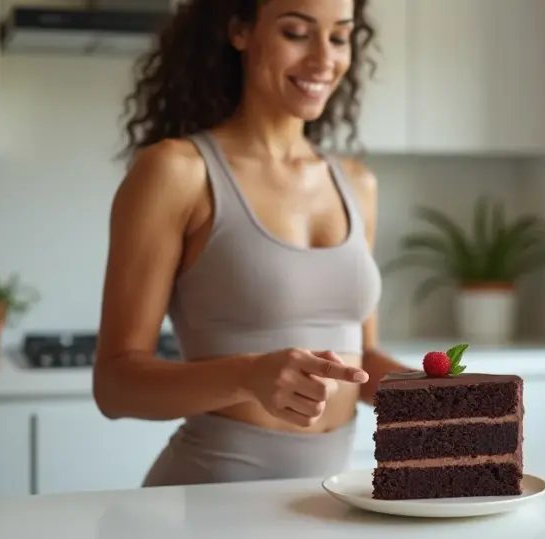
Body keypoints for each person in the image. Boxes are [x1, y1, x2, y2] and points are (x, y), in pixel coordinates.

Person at [92, 0, 412, 487]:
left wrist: (435, 390)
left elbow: (360, 361)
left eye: (340, 37)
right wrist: (247, 376)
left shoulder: (355, 183)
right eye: (297, 33)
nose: (324, 60)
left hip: (324, 500)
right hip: (207, 500)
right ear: (240, 29)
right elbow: (114, 386)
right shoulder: (177, 172)